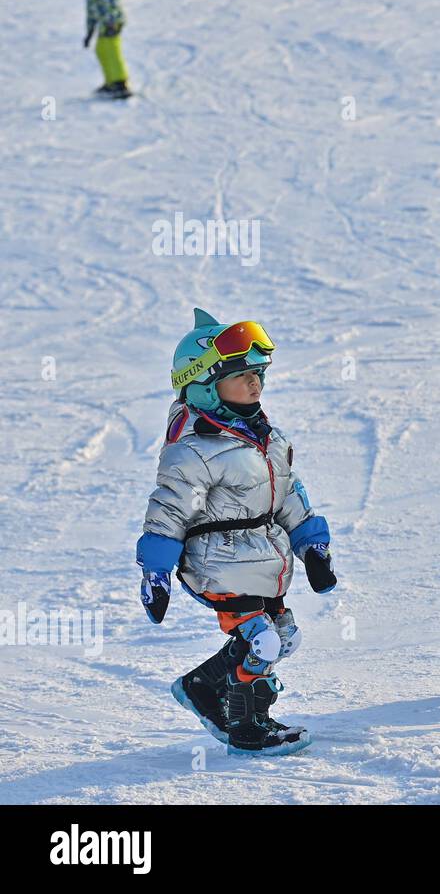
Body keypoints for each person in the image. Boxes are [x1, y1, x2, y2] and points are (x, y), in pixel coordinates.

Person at [136, 309, 336, 756]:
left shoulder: (266, 436)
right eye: (241, 376)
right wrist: (156, 573)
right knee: (261, 639)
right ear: (205, 384)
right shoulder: (193, 450)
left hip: (263, 560)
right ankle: (248, 726)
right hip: (218, 562)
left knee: (284, 637)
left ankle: (202, 688)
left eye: (257, 374)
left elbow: (288, 495)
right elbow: (168, 512)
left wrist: (312, 543)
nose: (255, 385)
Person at [74, 0, 131, 98]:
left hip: (112, 21)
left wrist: (112, 21)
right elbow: (92, 8)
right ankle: (111, 81)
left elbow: (110, 0)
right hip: (105, 22)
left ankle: (120, 83)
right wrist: (89, 32)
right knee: (101, 49)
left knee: (111, 49)